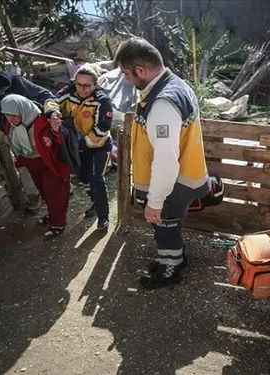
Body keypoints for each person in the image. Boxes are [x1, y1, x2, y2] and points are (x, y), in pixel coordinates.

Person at [115, 37, 210, 289]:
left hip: (174, 182)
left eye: (127, 73)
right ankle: (175, 258)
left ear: (141, 70)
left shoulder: (162, 103)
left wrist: (155, 202)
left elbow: (166, 160)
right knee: (169, 225)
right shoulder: (173, 84)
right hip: (182, 176)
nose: (126, 79)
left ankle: (170, 269)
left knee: (164, 224)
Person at [0, 64, 61, 212]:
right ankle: (34, 197)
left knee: (47, 159)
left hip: (35, 130)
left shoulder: (14, 82)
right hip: (13, 134)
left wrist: (51, 111)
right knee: (24, 165)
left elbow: (43, 94)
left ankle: (61, 185)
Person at [0, 94, 71, 239]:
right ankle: (52, 216)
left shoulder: (43, 119)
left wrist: (56, 131)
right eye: (7, 115)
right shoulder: (10, 124)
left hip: (50, 163)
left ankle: (58, 224)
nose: (11, 119)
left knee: (54, 193)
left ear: (23, 110)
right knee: (44, 192)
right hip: (32, 162)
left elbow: (59, 139)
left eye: (14, 115)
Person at [54, 65, 114, 231]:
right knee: (83, 178)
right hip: (78, 145)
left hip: (99, 146)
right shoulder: (69, 91)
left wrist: (79, 144)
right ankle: (96, 203)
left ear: (96, 85)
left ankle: (103, 217)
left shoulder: (103, 101)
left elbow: (102, 129)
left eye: (87, 85)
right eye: (78, 84)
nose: (81, 89)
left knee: (96, 179)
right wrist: (52, 113)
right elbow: (53, 101)